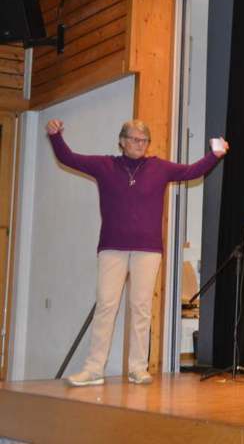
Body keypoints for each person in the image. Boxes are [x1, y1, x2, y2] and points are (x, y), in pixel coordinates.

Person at [46, 118, 227, 386]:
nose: (139, 144)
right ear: (121, 141)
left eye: (144, 140)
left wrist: (215, 155)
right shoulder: (104, 166)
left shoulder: (160, 168)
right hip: (112, 248)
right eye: (134, 139)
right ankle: (94, 369)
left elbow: (192, 171)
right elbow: (68, 158)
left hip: (148, 249)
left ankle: (137, 368)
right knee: (106, 306)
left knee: (141, 308)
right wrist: (55, 136)